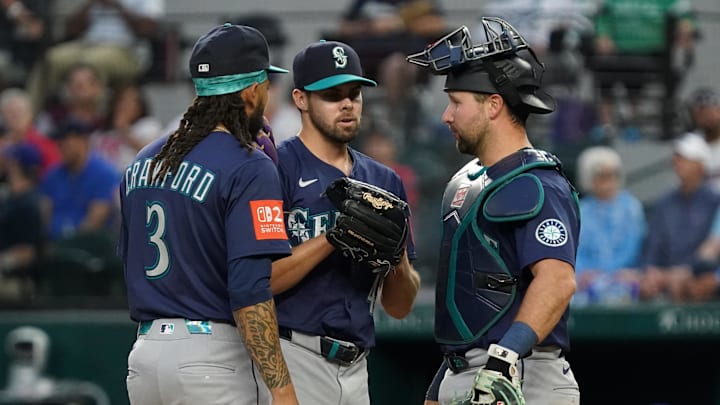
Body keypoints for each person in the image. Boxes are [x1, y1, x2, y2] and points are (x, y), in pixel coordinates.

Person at [118, 23, 299, 405]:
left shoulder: (143, 160)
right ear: (251, 91)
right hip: (211, 359)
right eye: (266, 84)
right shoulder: (249, 166)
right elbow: (250, 292)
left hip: (145, 357)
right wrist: (283, 391)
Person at [406, 17, 580, 404]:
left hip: (523, 376)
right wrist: (440, 387)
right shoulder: (466, 181)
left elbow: (557, 281)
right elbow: (472, 313)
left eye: (456, 103)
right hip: (469, 371)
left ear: (494, 106)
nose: (446, 116)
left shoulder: (537, 182)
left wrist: (504, 359)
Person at [271, 39, 421, 405]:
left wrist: (396, 260)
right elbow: (259, 280)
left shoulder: (384, 180)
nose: (347, 104)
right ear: (301, 99)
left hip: (357, 367)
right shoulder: (275, 167)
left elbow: (399, 307)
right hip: (292, 354)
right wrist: (334, 237)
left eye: (354, 93)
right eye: (332, 94)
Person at [639, 132, 720, 302]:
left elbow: (710, 253)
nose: (678, 162)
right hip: (664, 282)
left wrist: (688, 272)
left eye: (685, 158)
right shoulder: (664, 203)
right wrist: (651, 271)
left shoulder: (715, 202)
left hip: (700, 283)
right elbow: (653, 246)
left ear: (700, 164)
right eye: (677, 157)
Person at [573, 145, 645, 306]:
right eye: (602, 176)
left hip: (623, 275)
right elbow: (575, 249)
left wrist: (608, 272)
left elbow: (633, 248)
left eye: (612, 175)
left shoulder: (631, 208)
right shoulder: (581, 210)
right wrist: (584, 272)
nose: (608, 182)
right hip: (586, 278)